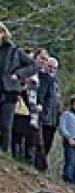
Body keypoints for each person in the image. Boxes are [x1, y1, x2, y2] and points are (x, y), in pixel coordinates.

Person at [0, 23, 36, 155]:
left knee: (5, 124)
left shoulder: (14, 51)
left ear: (3, 33)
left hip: (9, 90)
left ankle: (5, 152)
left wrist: (18, 75)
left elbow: (33, 65)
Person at [36, 56, 59, 159]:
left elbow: (56, 102)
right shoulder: (44, 79)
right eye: (50, 66)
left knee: (48, 145)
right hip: (45, 118)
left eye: (54, 68)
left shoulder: (55, 82)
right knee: (41, 144)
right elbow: (41, 95)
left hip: (53, 120)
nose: (52, 69)